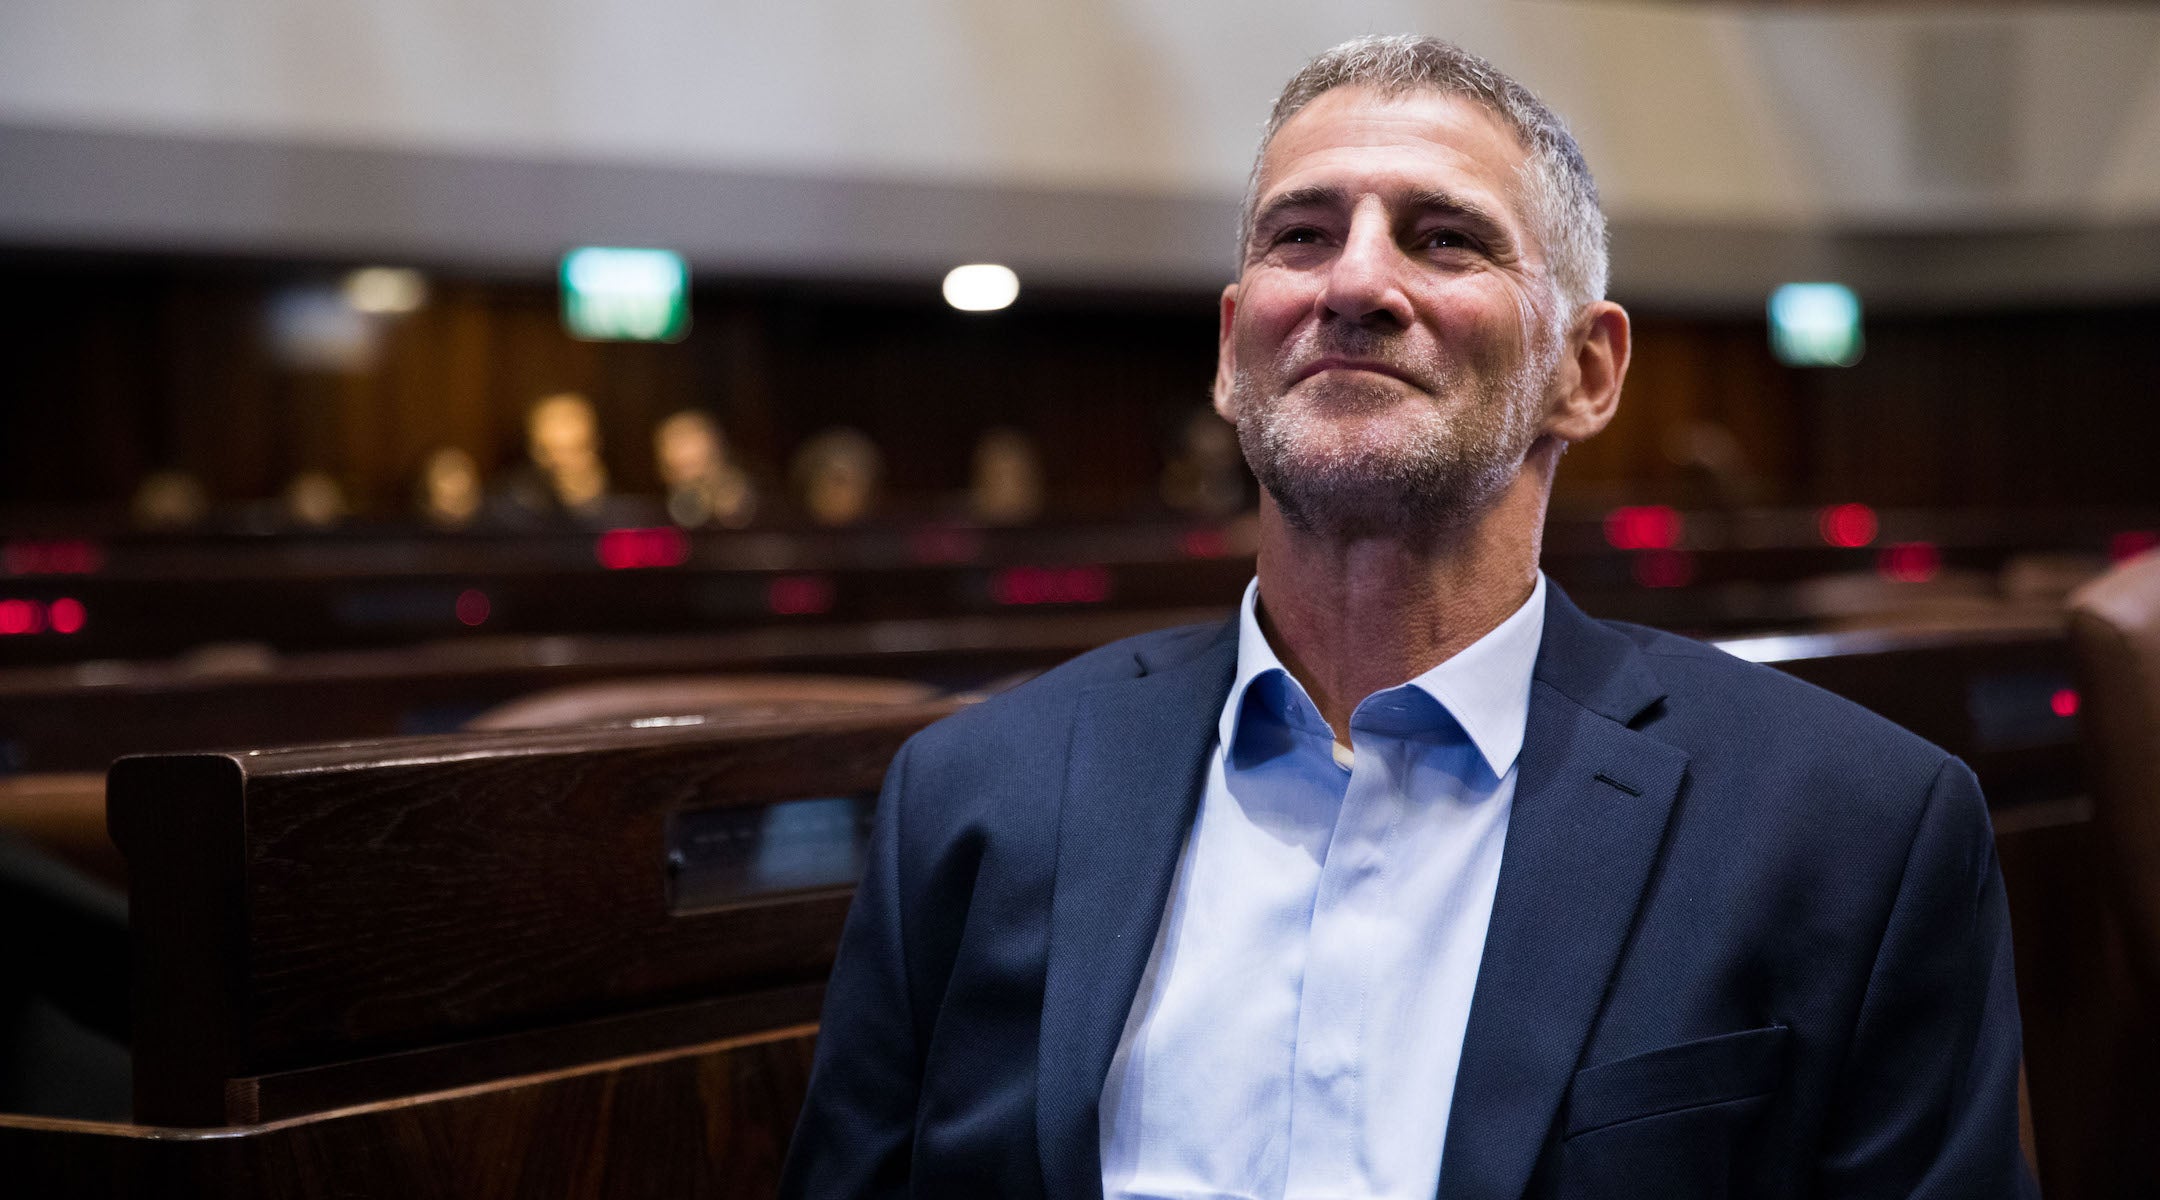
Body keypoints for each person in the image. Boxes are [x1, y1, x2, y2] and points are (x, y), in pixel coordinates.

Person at [782, 35, 2031, 1199]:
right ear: (1232, 352)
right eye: (1302, 236)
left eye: (1443, 239)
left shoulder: (1854, 828)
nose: (1357, 282)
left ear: (1585, 372)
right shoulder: (971, 796)